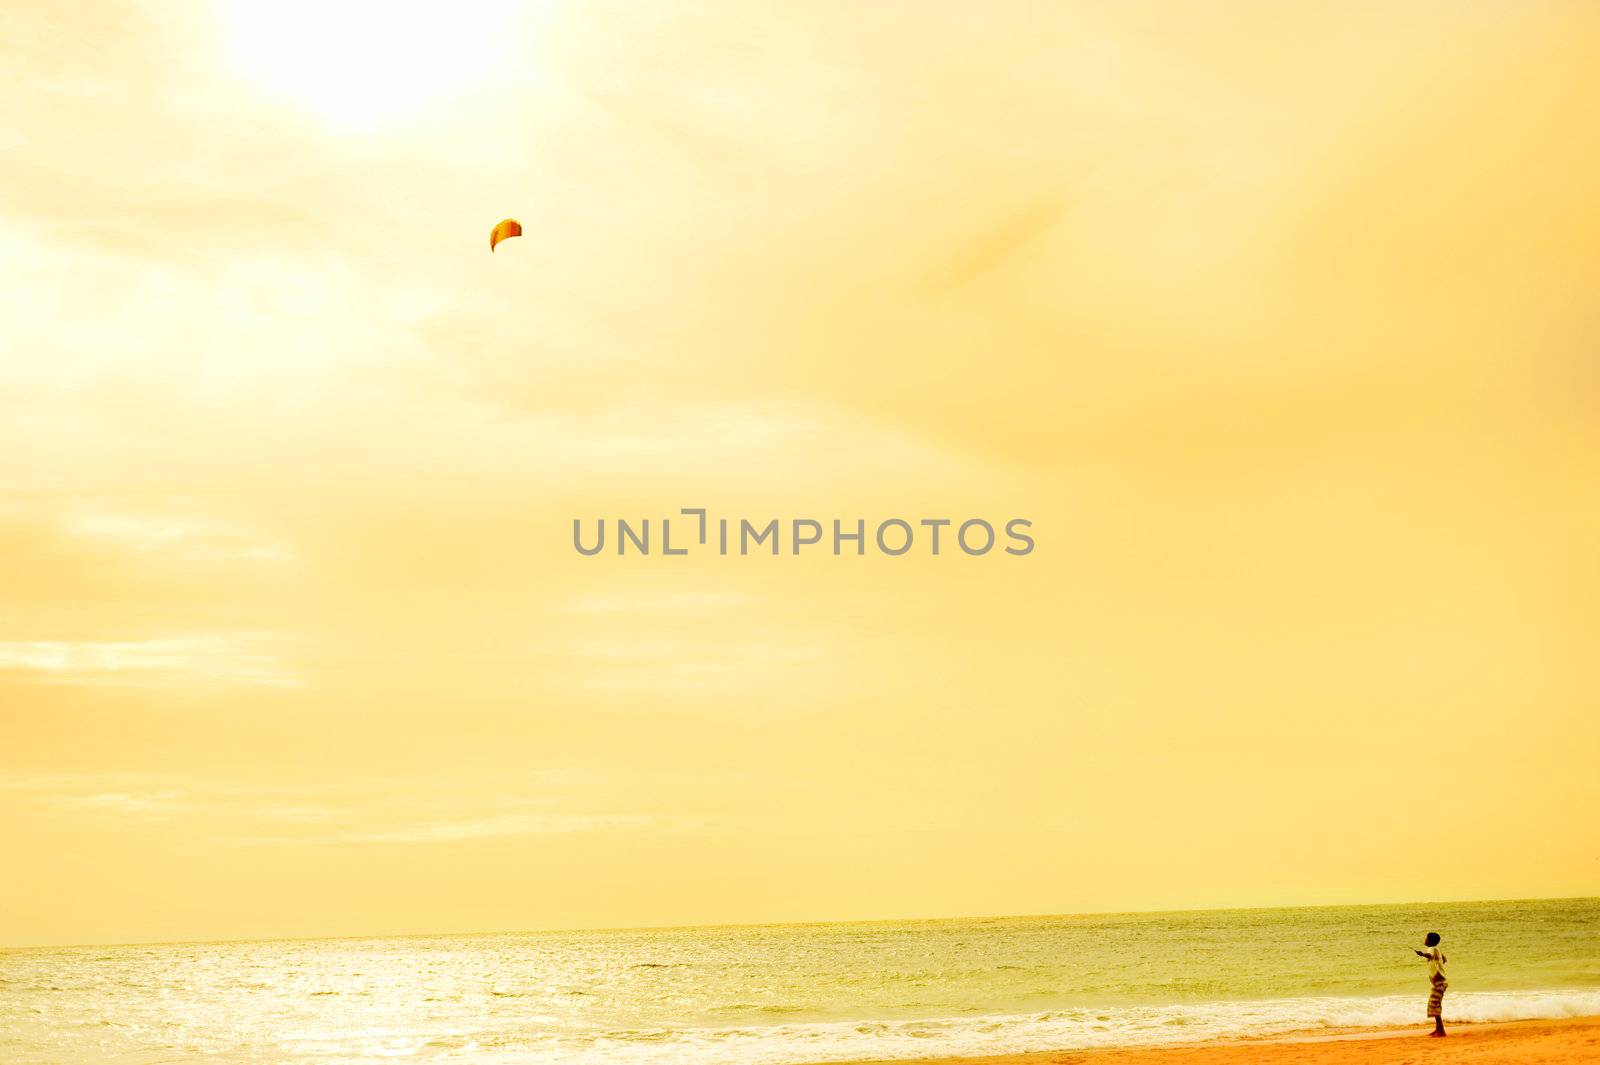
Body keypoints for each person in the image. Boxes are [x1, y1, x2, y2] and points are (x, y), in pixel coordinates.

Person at [1415, 932, 1447, 1036]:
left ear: (1430, 941)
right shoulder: (1437, 949)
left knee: (1434, 1006)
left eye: (1426, 938)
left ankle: (1441, 1031)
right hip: (1440, 982)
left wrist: (1422, 954)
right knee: (1434, 1005)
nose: (1425, 939)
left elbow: (1429, 954)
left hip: (1439, 982)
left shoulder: (1432, 949)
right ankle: (1438, 1029)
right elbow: (1445, 959)